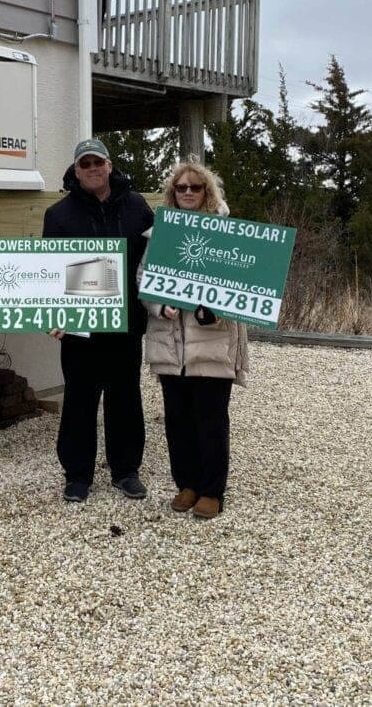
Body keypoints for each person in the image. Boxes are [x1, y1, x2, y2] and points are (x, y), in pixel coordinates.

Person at [43, 138, 154, 503]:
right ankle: (77, 476)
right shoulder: (59, 214)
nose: (92, 169)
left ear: (110, 166)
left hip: (125, 325)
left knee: (126, 398)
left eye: (98, 162)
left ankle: (125, 471)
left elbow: (152, 262)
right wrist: (52, 317)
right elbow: (48, 273)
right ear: (76, 171)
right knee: (79, 400)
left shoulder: (138, 207)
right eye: (84, 164)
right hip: (80, 330)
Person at [140, 159, 248, 519]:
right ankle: (186, 483)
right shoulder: (159, 234)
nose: (187, 193)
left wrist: (216, 308)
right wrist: (160, 304)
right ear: (173, 192)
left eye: (194, 187)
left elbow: (242, 286)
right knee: (177, 418)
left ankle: (212, 489)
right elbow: (144, 278)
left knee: (210, 418)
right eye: (180, 188)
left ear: (207, 192)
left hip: (212, 341)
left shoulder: (227, 236)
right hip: (171, 342)